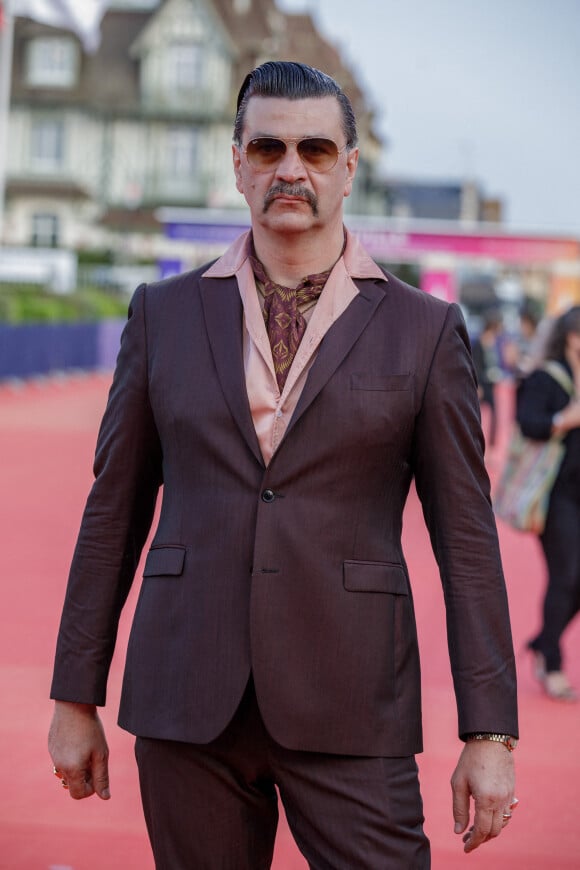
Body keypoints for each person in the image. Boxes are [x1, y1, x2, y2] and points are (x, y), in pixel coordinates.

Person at [48, 61, 518, 868]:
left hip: (352, 697)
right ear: (237, 164)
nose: (290, 169)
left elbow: (467, 540)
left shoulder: (425, 330)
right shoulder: (160, 314)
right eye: (267, 148)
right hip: (185, 696)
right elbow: (112, 514)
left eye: (315, 149)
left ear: (349, 168)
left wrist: (490, 730)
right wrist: (73, 695)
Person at [517, 305, 580, 701]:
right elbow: (528, 423)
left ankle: (542, 640)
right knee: (566, 575)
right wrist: (565, 419)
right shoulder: (547, 377)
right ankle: (552, 663)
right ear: (572, 336)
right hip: (557, 495)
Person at [471, 309, 505, 451]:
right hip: (482, 383)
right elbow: (475, 364)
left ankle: (490, 443)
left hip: (491, 381)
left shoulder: (494, 342)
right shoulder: (479, 342)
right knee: (474, 413)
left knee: (494, 413)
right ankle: (473, 439)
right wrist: (477, 385)